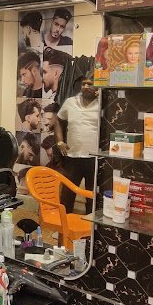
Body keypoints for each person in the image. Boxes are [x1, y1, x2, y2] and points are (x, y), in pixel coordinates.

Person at [54, 75, 99, 214]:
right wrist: (59, 141)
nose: (85, 87)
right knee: (67, 196)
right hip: (72, 157)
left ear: (98, 87)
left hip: (94, 159)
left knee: (92, 198)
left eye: (90, 84)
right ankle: (63, 224)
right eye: (83, 84)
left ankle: (90, 227)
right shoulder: (70, 102)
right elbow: (58, 120)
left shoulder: (102, 103)